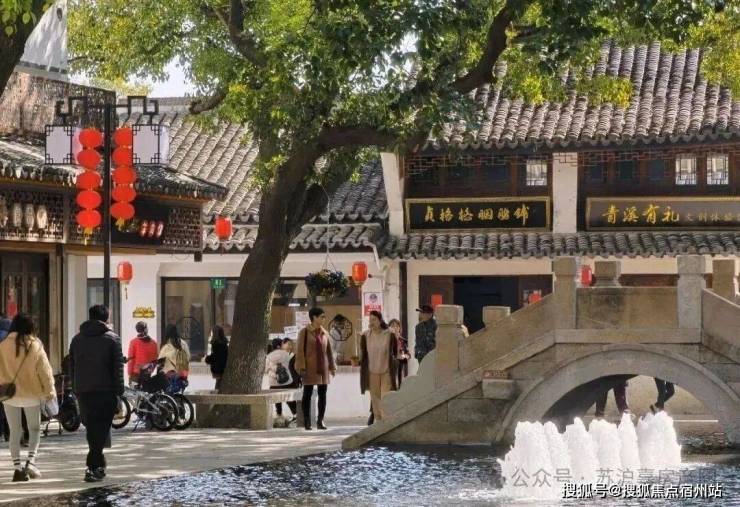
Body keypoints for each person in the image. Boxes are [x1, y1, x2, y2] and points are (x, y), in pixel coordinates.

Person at [69, 304, 125, 483]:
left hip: (84, 391)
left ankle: (97, 464)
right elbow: (118, 369)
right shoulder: (113, 339)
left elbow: (72, 366)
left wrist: (75, 387)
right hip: (105, 390)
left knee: (93, 428)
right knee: (100, 428)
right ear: (106, 318)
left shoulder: (77, 339)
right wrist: (119, 392)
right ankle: (93, 465)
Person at [0, 314, 55, 482]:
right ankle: (31, 462)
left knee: (14, 430)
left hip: (9, 395)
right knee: (34, 429)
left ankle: (17, 469)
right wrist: (50, 392)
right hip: (32, 393)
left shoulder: (3, 345)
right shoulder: (35, 344)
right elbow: (45, 371)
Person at [295, 307, 336, 430]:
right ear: (314, 317)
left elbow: (329, 351)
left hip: (323, 367)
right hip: (309, 368)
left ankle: (320, 420)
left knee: (323, 394)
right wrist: (301, 367)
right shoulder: (304, 332)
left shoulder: (324, 332)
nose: (324, 319)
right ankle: (307, 421)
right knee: (307, 394)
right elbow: (299, 351)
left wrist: (332, 367)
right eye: (322, 316)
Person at [360, 311, 398, 422]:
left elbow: (395, 352)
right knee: (375, 398)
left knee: (385, 397)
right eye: (370, 320)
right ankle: (378, 421)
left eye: (374, 320)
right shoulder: (366, 335)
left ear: (380, 320)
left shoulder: (389, 334)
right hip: (372, 371)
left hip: (386, 370)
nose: (371, 322)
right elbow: (363, 354)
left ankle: (386, 421)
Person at [265, 338, 297, 422]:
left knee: (276, 398)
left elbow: (266, 370)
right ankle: (295, 413)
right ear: (279, 346)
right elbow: (289, 367)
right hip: (286, 382)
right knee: (289, 398)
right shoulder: (286, 355)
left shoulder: (268, 357)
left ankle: (279, 414)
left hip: (273, 384)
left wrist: (275, 375)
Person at [205, 325, 229, 390]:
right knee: (219, 383)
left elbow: (217, 357)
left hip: (219, 369)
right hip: (221, 368)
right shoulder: (223, 343)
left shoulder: (217, 344)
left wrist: (208, 359)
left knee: (219, 384)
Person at [388, 319, 409, 388]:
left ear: (399, 328)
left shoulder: (403, 341)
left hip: (399, 369)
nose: (395, 328)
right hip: (388, 369)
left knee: (399, 387)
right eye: (392, 326)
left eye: (397, 326)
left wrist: (403, 356)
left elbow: (408, 355)